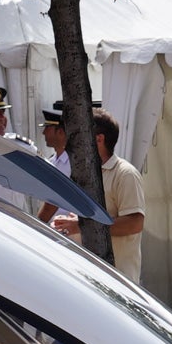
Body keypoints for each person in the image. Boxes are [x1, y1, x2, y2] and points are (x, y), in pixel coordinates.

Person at [51, 113, 146, 287]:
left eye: (81, 136)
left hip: (119, 281)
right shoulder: (85, 173)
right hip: (90, 278)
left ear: (99, 139)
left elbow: (135, 224)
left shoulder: (125, 174)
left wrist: (81, 225)